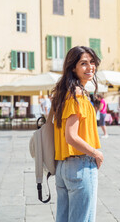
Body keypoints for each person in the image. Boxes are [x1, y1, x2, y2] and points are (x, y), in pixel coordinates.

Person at [51, 46, 104, 222]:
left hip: (62, 167)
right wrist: (95, 153)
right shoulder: (77, 94)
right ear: (73, 67)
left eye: (92, 62)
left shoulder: (63, 93)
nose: (90, 67)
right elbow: (71, 136)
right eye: (83, 63)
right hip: (80, 165)